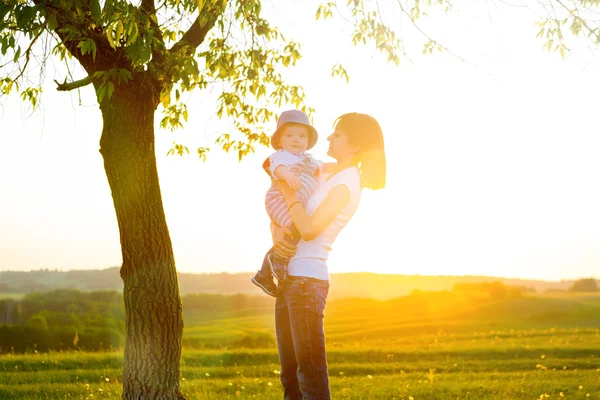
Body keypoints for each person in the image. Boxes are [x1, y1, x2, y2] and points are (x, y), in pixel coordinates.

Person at [270, 112, 386, 400]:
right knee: (290, 376)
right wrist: (275, 230)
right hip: (289, 278)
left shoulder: (347, 184)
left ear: (355, 145)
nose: (330, 137)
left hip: (307, 283)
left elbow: (308, 229)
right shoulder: (325, 173)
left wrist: (288, 194)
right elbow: (274, 171)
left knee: (310, 376)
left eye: (338, 134)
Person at [251, 110, 322, 297]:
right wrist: (288, 176)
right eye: (289, 135)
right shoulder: (281, 156)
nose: (296, 139)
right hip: (279, 199)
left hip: (292, 202)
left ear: (308, 140)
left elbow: (324, 168)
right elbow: (277, 168)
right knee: (293, 227)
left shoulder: (310, 160)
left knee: (294, 229)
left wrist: (343, 166)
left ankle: (264, 273)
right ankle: (275, 262)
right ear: (280, 140)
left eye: (301, 136)